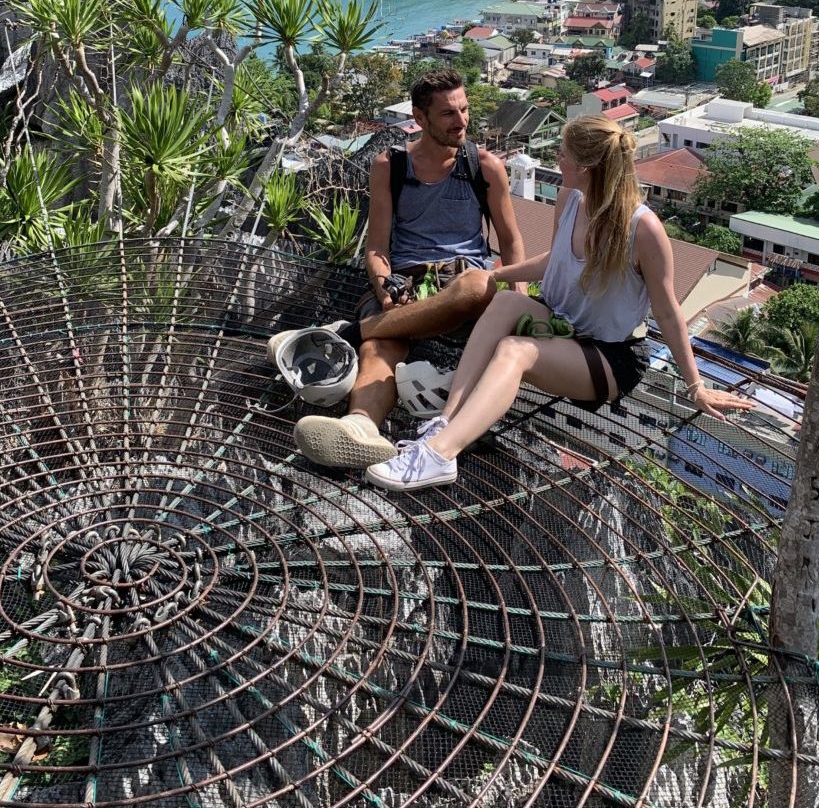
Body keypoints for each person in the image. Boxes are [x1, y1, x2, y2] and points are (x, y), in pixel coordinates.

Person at [366, 114, 756, 491]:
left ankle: (439, 455)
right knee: (504, 305)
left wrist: (695, 386)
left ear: (588, 166)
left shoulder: (643, 228)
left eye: (566, 153)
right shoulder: (571, 198)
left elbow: (668, 312)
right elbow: (556, 260)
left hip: (608, 355)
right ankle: (446, 421)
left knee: (514, 350)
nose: (559, 160)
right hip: (563, 325)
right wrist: (494, 275)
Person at [289, 68, 525, 469]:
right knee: (380, 347)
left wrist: (519, 304)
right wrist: (384, 289)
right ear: (420, 118)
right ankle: (360, 428)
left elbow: (511, 240)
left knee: (478, 286)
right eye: (449, 114)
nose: (462, 121)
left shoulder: (484, 167)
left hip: (464, 279)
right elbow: (378, 245)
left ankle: (346, 331)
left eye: (465, 110)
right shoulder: (391, 166)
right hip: (408, 279)